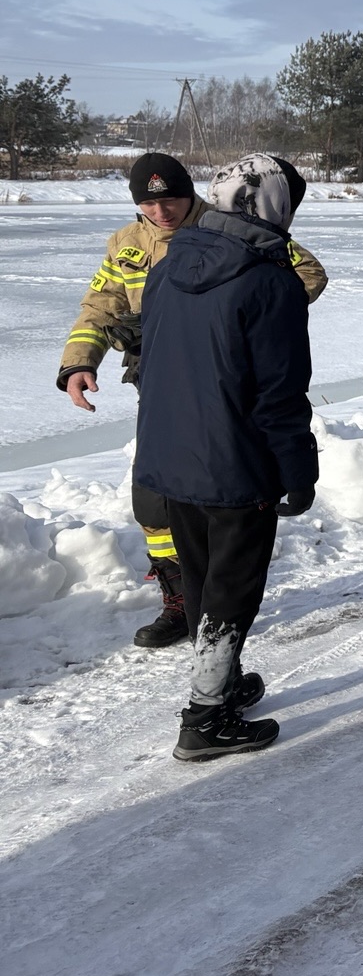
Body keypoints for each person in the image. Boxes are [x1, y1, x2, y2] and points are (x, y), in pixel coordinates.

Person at [57, 152, 327, 649]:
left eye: (172, 199)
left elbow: (306, 275)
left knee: (222, 511)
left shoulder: (230, 224)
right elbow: (99, 307)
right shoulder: (127, 244)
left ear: (192, 194)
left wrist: (224, 323)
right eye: (149, 203)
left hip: (223, 388)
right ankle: (182, 601)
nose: (162, 213)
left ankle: (216, 641)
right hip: (158, 384)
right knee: (156, 501)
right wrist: (79, 363)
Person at [132, 154, 316, 761]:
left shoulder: (167, 264)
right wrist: (298, 467)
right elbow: (280, 393)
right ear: (274, 207)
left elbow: (152, 361)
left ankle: (221, 676)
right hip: (236, 463)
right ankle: (206, 718)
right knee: (232, 587)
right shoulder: (271, 281)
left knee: (203, 573)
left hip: (171, 453)